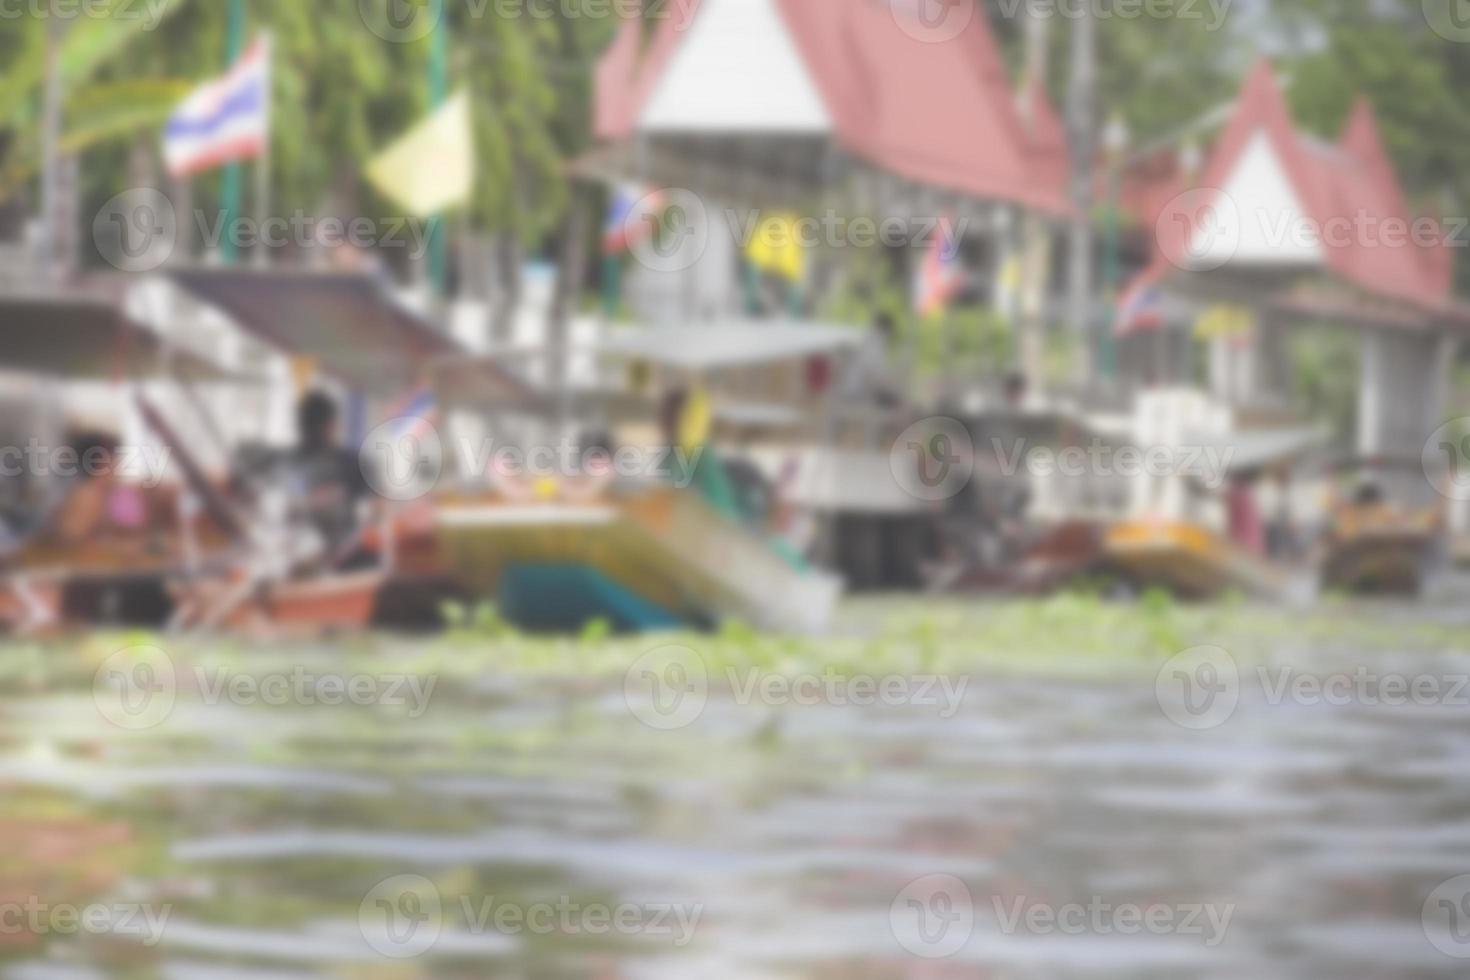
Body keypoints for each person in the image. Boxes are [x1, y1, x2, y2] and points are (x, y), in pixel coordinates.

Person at [282, 391, 372, 561]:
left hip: (307, 559)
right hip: (344, 560)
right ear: (331, 425)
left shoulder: (291, 465)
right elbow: (378, 510)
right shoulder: (350, 462)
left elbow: (289, 515)